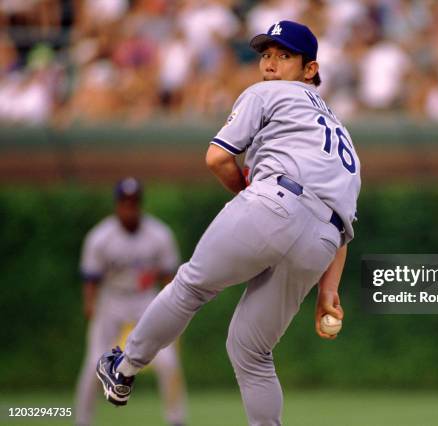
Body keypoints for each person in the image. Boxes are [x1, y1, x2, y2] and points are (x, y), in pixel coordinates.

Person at [96, 21, 361, 426]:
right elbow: (341, 227)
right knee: (252, 353)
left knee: (190, 286)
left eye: (284, 56)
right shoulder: (341, 136)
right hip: (322, 241)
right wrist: (329, 291)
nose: (271, 64)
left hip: (273, 202)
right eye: (266, 55)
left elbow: (217, 158)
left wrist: (248, 197)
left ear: (311, 69)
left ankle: (125, 368)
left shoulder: (265, 93)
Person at [75, 177, 187, 426]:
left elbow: (169, 277)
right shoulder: (101, 237)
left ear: (140, 204)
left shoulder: (159, 234)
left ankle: (177, 420)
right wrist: (90, 304)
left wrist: (171, 309)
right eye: (125, 202)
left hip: (146, 299)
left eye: (134, 202)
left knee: (168, 362)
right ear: (117, 205)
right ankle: (82, 421)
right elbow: (91, 278)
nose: (130, 207)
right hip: (112, 300)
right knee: (94, 362)